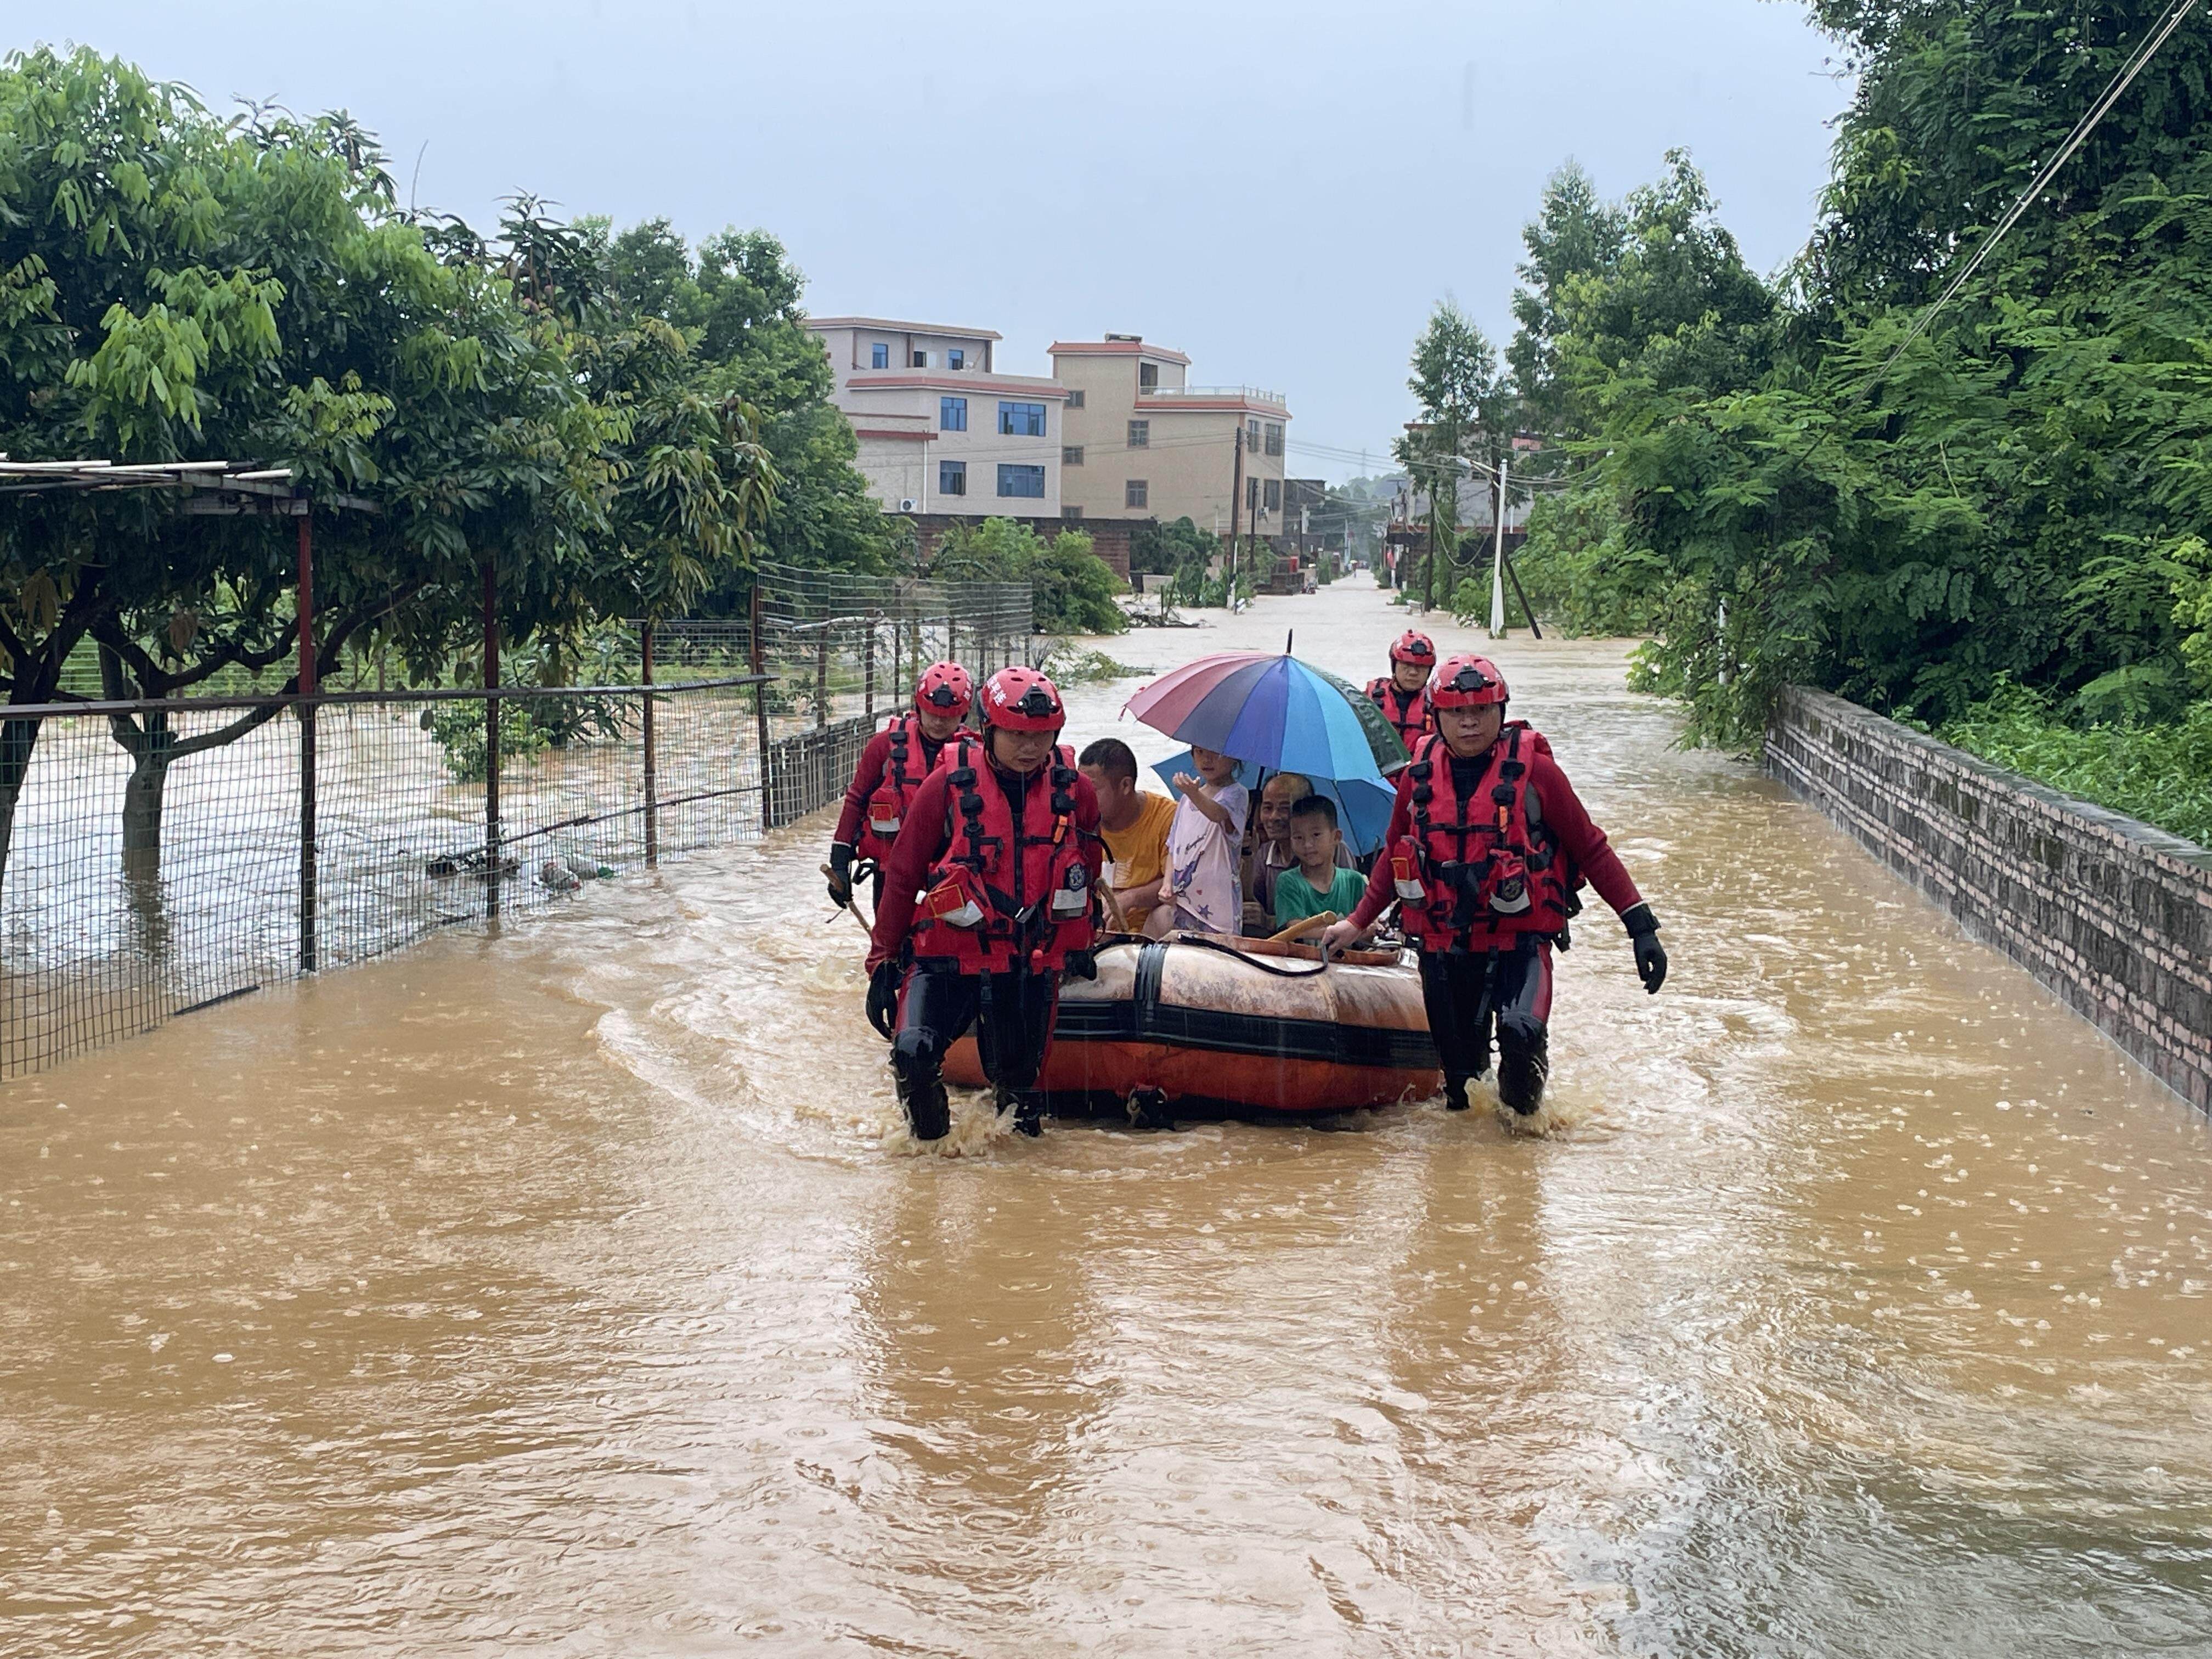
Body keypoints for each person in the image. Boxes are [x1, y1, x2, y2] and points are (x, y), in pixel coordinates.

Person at [1323, 653, 1668, 1117]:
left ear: (1500, 713)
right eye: (1457, 713)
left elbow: (1591, 847)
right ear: (1438, 716)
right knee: (1462, 1092)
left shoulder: (1537, 774)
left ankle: (1524, 1152)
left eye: (1481, 711)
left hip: (1519, 942)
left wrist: (1640, 926)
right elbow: (1393, 854)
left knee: (1521, 1038)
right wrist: (1357, 921)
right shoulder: (1416, 777)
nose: (1470, 723)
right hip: (1445, 948)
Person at [865, 667, 1103, 1141]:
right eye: (1016, 735)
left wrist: (1081, 941)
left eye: (1041, 736)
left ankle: (1015, 1200)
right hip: (948, 956)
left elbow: (1087, 873)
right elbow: (903, 874)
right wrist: (883, 960)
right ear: (989, 730)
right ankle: (929, 1159)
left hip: (1027, 963)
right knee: (912, 1051)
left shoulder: (1077, 793)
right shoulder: (945, 786)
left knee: (1020, 1110)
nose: (1030, 747)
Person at [827, 661, 972, 913]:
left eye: (948, 717)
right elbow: (856, 799)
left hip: (950, 875)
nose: (939, 722)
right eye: (932, 714)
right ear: (919, 707)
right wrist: (840, 861)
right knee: (888, 947)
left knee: (941, 948)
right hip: (892, 873)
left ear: (963, 716)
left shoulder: (975, 755)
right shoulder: (883, 747)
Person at [1077, 737, 1177, 933]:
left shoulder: (1168, 816)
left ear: (1125, 786)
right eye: (1081, 788)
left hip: (1148, 931)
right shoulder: (1079, 821)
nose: (1083, 797)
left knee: (1166, 915)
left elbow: (1178, 881)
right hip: (1100, 929)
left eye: (1092, 790)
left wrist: (1132, 898)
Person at [1149, 744, 1249, 936]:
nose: (1207, 759)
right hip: (1185, 901)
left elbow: (1217, 814)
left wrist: (1193, 793)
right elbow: (1173, 846)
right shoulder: (1186, 801)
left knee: (1219, 956)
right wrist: (1167, 883)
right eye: (1200, 752)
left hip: (1219, 904)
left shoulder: (1237, 794)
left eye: (1215, 752)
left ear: (1234, 757)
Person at [1246, 771, 1356, 924]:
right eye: (1267, 808)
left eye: (1284, 808)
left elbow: (1353, 914)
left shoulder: (1335, 849)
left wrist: (1269, 921)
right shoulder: (1265, 854)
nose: (1273, 817)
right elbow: (1256, 903)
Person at [1273, 795, 1368, 928]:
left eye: (1316, 835)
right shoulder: (1289, 882)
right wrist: (1350, 930)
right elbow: (1297, 929)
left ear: (1336, 837)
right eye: (1298, 837)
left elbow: (1369, 926)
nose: (1307, 845)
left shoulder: (1354, 882)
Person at [1366, 630, 1437, 752]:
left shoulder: (1438, 705)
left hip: (1419, 768)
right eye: (1406, 665)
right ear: (1394, 666)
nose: (1413, 672)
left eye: (1421, 667)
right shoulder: (1369, 699)